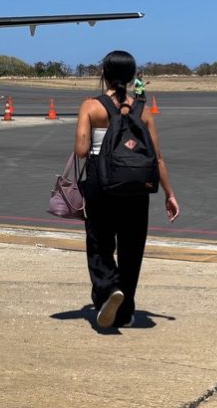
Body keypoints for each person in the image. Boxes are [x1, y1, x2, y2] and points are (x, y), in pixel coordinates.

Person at [75, 50, 179, 329]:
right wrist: (169, 194)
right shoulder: (143, 110)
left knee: (99, 242)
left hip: (101, 181)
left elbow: (82, 151)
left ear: (104, 74)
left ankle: (109, 289)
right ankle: (125, 312)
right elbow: (157, 157)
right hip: (137, 186)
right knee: (132, 246)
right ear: (133, 77)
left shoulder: (90, 106)